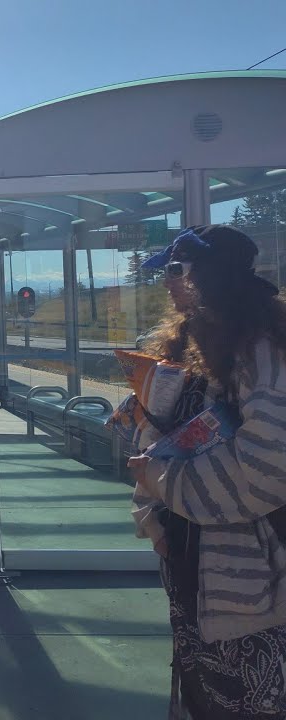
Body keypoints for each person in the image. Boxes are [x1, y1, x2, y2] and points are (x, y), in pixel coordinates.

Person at [127, 225, 286, 718]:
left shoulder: (264, 352)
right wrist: (154, 517)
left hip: (255, 590)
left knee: (248, 700)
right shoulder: (196, 345)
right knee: (201, 693)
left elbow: (265, 468)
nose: (168, 284)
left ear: (210, 276)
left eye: (176, 271)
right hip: (199, 567)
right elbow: (171, 435)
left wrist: (163, 483)